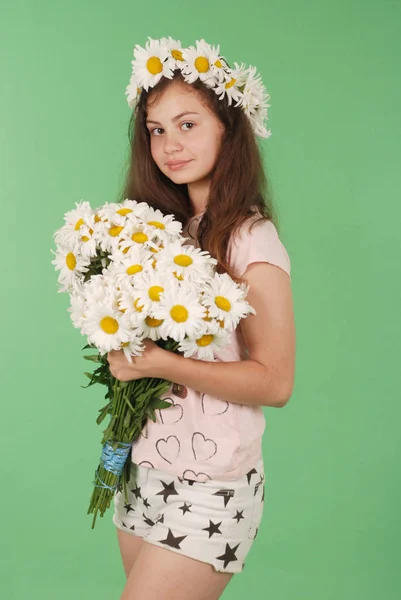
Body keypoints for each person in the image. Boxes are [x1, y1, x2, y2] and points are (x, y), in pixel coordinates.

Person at [107, 36, 296, 600]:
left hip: (209, 488)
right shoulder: (161, 229)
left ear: (227, 129)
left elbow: (275, 381)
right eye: (157, 129)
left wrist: (158, 363)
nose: (169, 144)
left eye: (187, 124)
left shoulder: (250, 238)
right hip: (141, 466)